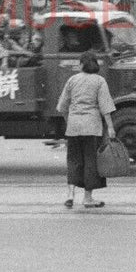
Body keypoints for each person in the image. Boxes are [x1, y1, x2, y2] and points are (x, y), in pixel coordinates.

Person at [55, 49, 118, 209]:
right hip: (92, 127)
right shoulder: (99, 81)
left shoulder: (72, 80)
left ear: (81, 64)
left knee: (73, 161)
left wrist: (69, 121)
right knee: (91, 162)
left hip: (74, 127)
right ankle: (87, 198)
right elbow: (106, 107)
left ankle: (70, 195)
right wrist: (110, 127)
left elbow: (62, 106)